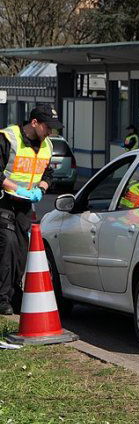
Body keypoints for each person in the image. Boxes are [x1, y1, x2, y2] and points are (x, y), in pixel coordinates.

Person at [0, 104, 62, 315]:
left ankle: (14, 293)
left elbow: (48, 175)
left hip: (25, 205)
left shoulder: (47, 146)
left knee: (20, 250)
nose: (50, 132)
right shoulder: (8, 138)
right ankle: (2, 299)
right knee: (7, 245)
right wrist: (18, 189)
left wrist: (40, 191)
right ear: (34, 123)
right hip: (4, 201)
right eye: (47, 127)